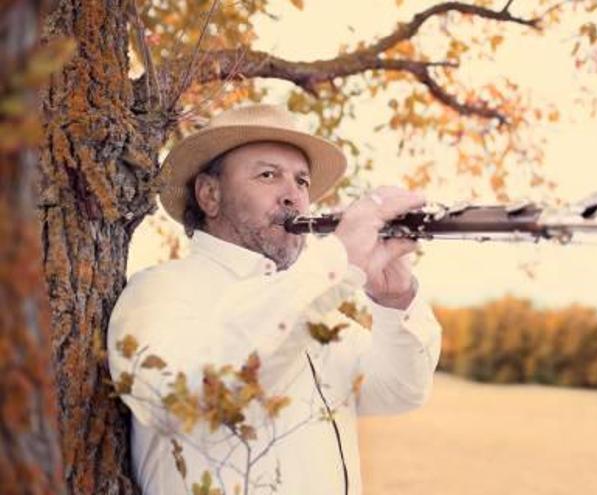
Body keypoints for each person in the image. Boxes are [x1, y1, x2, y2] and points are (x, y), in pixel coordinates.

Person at [107, 104, 442, 495]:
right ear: (209, 195)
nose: (293, 196)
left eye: (301, 182)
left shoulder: (316, 307)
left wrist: (394, 301)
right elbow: (195, 399)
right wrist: (336, 260)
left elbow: (399, 391)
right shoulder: (160, 292)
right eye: (268, 175)